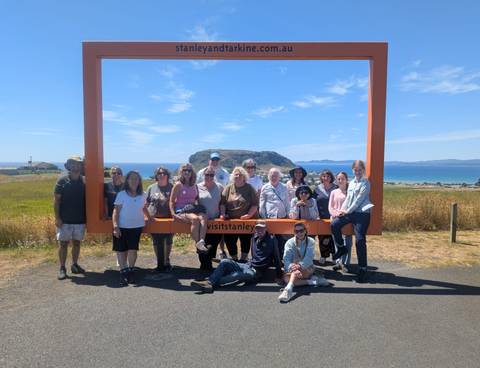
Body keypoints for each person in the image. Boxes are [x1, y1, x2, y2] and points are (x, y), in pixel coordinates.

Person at [190, 220, 282, 293]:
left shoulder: (271, 239)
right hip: (248, 265)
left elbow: (277, 258)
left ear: (266, 228)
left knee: (237, 275)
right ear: (255, 229)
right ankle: (210, 282)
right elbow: (255, 255)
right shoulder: (254, 236)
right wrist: (247, 262)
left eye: (262, 228)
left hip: (256, 273)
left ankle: (210, 283)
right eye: (258, 228)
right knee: (224, 261)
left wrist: (279, 275)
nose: (260, 230)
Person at [332, 160, 373, 283]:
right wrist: (341, 210)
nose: (357, 171)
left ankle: (363, 268)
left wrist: (347, 211)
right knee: (334, 225)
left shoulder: (365, 182)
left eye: (360, 169)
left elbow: (358, 200)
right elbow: (348, 199)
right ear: (352, 170)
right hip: (350, 212)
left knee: (360, 240)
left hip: (362, 214)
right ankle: (341, 248)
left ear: (363, 170)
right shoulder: (352, 183)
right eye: (355, 169)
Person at [112, 171, 152, 286]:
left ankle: (131, 270)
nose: (134, 181)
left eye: (136, 179)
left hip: (136, 227)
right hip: (121, 226)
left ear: (139, 181)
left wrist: (149, 218)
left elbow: (144, 208)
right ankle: (123, 272)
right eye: (131, 178)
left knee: (133, 250)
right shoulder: (121, 194)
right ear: (127, 180)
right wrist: (115, 226)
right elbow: (116, 211)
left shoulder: (143, 195)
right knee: (121, 250)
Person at [278, 222, 329, 303]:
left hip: (307, 267)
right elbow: (286, 259)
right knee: (287, 279)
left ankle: (288, 290)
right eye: (296, 231)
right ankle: (313, 282)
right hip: (293, 268)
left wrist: (299, 266)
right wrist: (292, 267)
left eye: (301, 230)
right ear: (294, 232)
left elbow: (309, 258)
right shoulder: (289, 242)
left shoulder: (311, 241)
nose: (299, 233)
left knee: (291, 276)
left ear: (305, 231)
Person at [54, 156, 86, 280]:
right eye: (73, 164)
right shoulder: (62, 181)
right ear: (68, 166)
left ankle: (74, 265)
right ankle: (62, 268)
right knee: (63, 244)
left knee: (77, 243)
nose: (76, 166)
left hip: (80, 220)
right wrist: (57, 218)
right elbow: (57, 201)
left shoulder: (84, 181)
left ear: (81, 167)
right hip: (65, 220)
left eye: (78, 164)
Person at [220, 166, 258, 262]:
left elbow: (255, 204)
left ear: (244, 176)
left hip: (245, 221)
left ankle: (243, 259)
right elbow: (223, 203)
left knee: (245, 240)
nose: (238, 176)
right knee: (229, 241)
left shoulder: (249, 188)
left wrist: (249, 215)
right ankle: (234, 260)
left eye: (240, 174)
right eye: (236, 174)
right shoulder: (228, 187)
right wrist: (223, 213)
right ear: (233, 176)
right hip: (230, 221)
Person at [170, 163, 209, 253]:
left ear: (192, 173)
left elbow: (196, 199)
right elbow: (171, 201)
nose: (187, 172)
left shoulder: (194, 185)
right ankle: (198, 245)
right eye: (184, 170)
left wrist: (200, 209)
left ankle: (201, 242)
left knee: (204, 217)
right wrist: (173, 213)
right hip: (181, 210)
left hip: (193, 208)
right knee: (195, 219)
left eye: (189, 170)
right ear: (181, 172)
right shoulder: (178, 185)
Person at [146, 167, 174, 272]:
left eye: (164, 173)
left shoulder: (172, 187)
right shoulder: (151, 188)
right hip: (153, 219)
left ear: (167, 175)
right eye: (159, 173)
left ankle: (166, 261)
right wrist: (146, 216)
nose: (162, 175)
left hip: (168, 219)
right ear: (156, 176)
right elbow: (146, 203)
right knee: (156, 241)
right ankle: (159, 261)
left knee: (168, 240)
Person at [197, 167, 224, 271]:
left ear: (214, 176)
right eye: (207, 175)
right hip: (201, 222)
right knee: (201, 244)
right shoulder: (197, 187)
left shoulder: (220, 187)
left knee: (212, 245)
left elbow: (222, 203)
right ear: (203, 175)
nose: (209, 177)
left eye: (211, 175)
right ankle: (204, 266)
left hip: (215, 221)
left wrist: (222, 214)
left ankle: (207, 266)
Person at [259, 167, 289, 256]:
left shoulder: (284, 187)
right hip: (269, 217)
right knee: (269, 239)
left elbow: (287, 202)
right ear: (268, 176)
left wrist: (288, 215)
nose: (274, 177)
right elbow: (262, 204)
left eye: (276, 175)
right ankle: (270, 258)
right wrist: (264, 218)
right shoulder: (265, 187)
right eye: (272, 175)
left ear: (279, 176)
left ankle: (280, 257)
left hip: (282, 217)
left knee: (281, 239)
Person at [328, 172, 353, 273]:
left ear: (346, 179)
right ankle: (338, 263)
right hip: (335, 218)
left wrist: (344, 213)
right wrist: (335, 214)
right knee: (337, 242)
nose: (340, 180)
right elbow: (330, 206)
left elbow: (353, 205)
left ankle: (346, 263)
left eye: (342, 178)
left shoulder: (351, 192)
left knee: (348, 241)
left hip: (347, 218)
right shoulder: (334, 192)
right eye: (338, 179)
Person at [315, 169, 338, 265]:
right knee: (322, 237)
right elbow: (313, 202)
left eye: (328, 176)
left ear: (331, 177)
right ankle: (324, 255)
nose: (326, 178)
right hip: (321, 216)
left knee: (333, 237)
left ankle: (335, 256)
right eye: (324, 176)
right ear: (321, 177)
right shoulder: (317, 189)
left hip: (334, 216)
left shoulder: (336, 188)